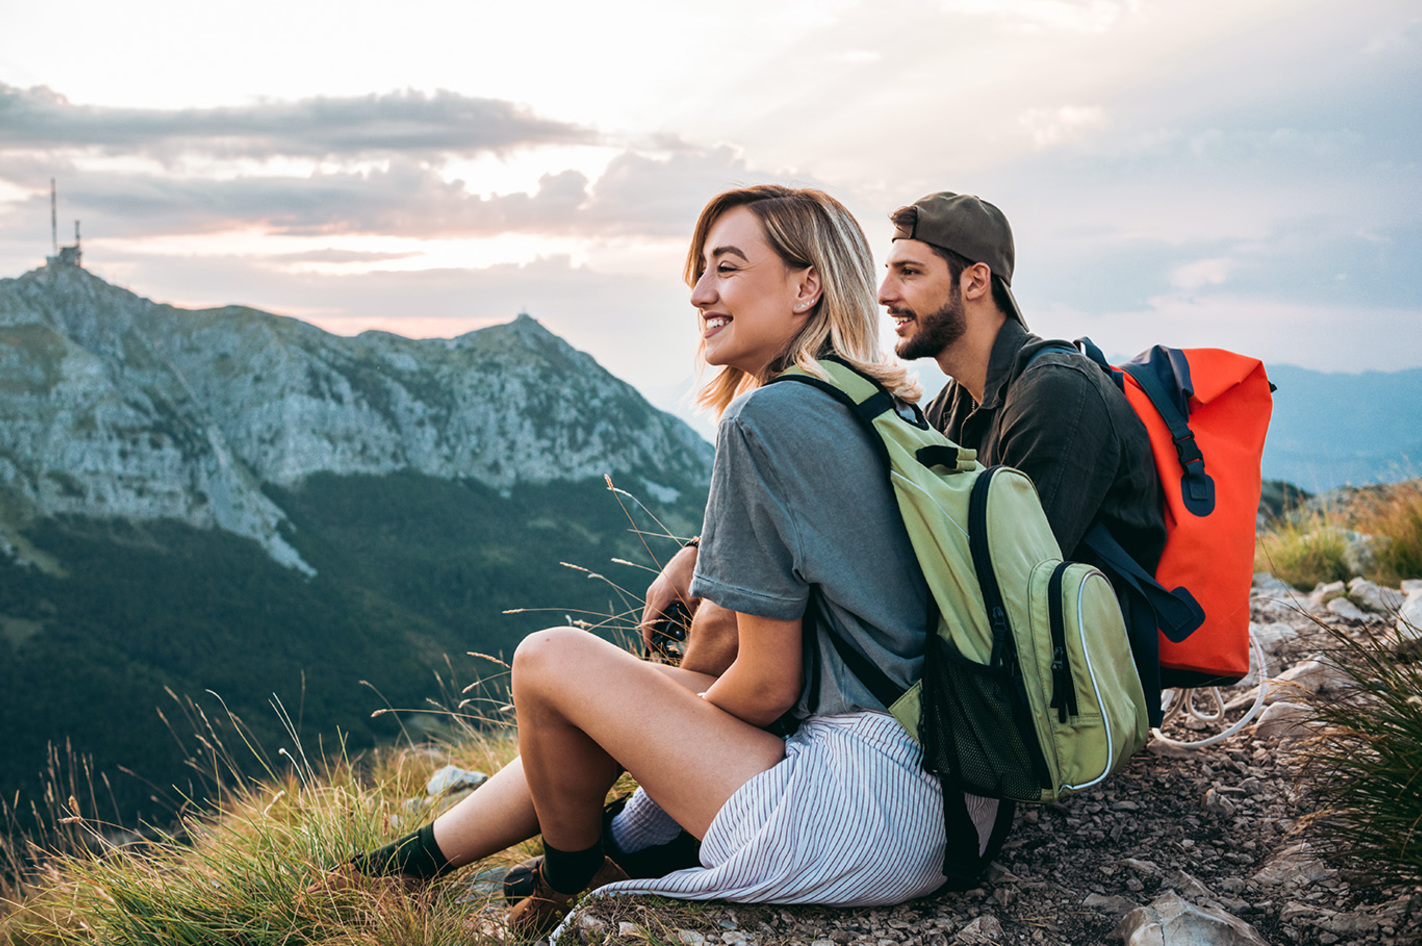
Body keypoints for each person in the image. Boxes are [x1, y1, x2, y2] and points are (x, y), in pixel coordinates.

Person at [327, 185, 999, 937]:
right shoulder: (881, 407)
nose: (699, 293)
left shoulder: (767, 414)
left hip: (861, 811)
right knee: (615, 696)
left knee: (548, 659)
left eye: (727, 269)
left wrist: (646, 753)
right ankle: (403, 868)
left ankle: (570, 871)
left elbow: (768, 684)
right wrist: (652, 708)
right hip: (947, 799)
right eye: (700, 270)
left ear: (806, 285)